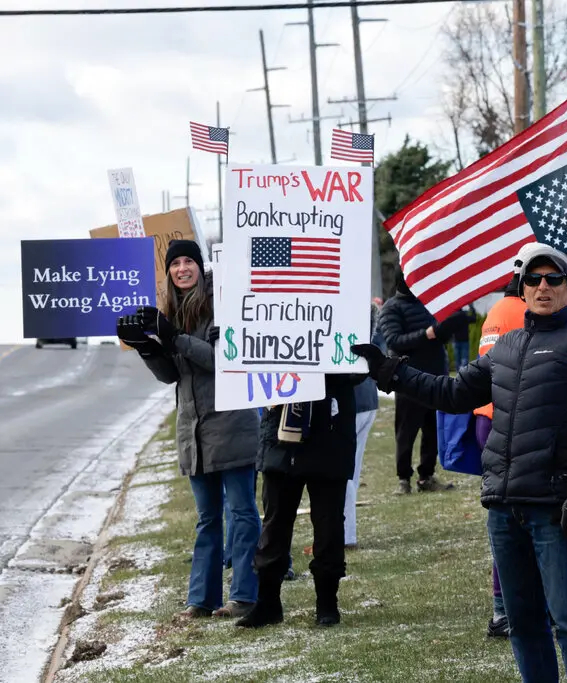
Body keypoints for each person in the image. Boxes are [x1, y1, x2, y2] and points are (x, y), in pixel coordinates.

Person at [353, 243, 567, 682]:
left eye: (553, 278)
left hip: (556, 505)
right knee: (523, 624)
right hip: (504, 505)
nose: (543, 286)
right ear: (522, 286)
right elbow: (452, 392)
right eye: (533, 279)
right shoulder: (507, 346)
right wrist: (391, 371)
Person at [116, 240, 260, 619]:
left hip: (232, 423)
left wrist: (174, 338)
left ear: (200, 266)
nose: (182, 268)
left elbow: (225, 362)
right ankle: (202, 599)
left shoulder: (222, 304)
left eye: (188, 262)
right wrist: (148, 348)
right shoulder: (171, 314)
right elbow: (171, 377)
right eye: (175, 263)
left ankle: (245, 595)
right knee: (207, 519)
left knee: (243, 512)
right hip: (193, 432)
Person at [237, 372, 365, 629]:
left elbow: (358, 369)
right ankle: (268, 602)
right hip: (280, 432)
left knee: (329, 524)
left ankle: (327, 602)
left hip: (330, 428)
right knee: (274, 523)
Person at [473, 272, 528, 639]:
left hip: (486, 420)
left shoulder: (496, 310)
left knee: (503, 518)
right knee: (523, 520)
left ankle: (501, 609)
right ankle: (511, 609)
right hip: (509, 422)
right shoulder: (524, 313)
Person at [378, 272, 456, 494]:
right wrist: (427, 334)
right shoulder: (391, 307)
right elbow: (394, 341)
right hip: (407, 379)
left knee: (433, 431)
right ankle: (404, 479)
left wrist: (446, 329)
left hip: (435, 378)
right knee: (406, 432)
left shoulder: (429, 302)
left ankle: (427, 476)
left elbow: (439, 334)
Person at [347, 305, 384, 549]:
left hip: (352, 401)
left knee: (344, 474)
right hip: (366, 398)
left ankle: (346, 535)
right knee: (351, 471)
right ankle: (345, 532)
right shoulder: (369, 318)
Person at [449, 305, 478, 370]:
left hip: (455, 340)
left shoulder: (452, 316)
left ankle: (458, 374)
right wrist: (472, 307)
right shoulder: (464, 316)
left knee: (457, 360)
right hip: (464, 340)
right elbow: (474, 319)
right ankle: (464, 374)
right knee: (464, 359)